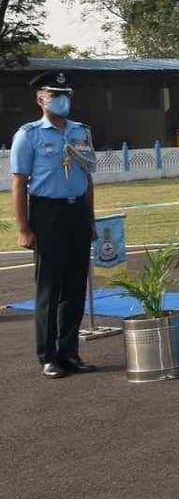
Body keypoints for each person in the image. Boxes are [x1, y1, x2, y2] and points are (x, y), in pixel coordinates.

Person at [10, 71, 98, 379]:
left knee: (75, 286)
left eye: (66, 95)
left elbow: (87, 179)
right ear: (40, 99)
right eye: (54, 94)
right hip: (47, 214)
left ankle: (69, 352)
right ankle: (48, 356)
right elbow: (19, 183)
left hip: (76, 213)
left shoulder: (81, 132)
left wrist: (91, 219)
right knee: (49, 287)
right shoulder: (29, 134)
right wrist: (23, 228)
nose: (62, 100)